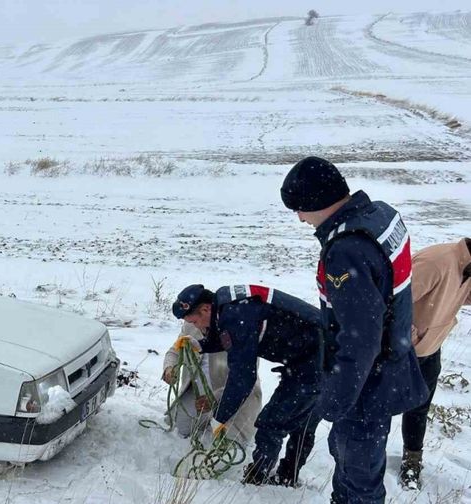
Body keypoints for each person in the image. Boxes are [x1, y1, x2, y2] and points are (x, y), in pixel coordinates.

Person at [281, 156, 429, 504]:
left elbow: (359, 340)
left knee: (357, 477)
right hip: (387, 367)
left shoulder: (347, 250)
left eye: (300, 209)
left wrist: (335, 402)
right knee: (355, 463)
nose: (300, 218)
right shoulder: (380, 216)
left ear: (317, 202)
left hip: (366, 386)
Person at [172, 283, 322, 486]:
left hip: (317, 360)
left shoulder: (234, 315)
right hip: (319, 352)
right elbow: (231, 337)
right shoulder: (226, 302)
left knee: (272, 423)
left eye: (195, 321)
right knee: (301, 419)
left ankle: (258, 481)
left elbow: (243, 378)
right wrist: (202, 345)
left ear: (206, 308)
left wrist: (219, 418)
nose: (197, 327)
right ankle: (287, 477)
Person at [399, 238, 471, 489]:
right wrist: (407, 337)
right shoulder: (437, 261)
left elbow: (462, 294)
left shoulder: (466, 267)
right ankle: (367, 462)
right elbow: (393, 300)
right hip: (402, 352)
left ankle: (412, 461)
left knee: (419, 408)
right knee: (381, 408)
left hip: (431, 349)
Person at [162, 317, 261, 445]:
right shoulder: (191, 323)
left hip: (235, 398)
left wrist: (214, 399)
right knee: (179, 430)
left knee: (222, 446)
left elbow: (244, 380)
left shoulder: (239, 328)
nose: (193, 323)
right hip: (197, 393)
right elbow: (175, 350)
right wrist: (169, 368)